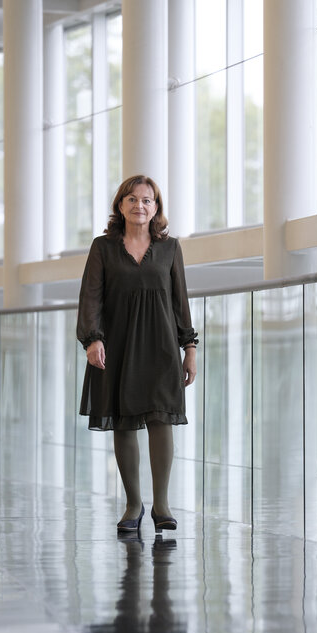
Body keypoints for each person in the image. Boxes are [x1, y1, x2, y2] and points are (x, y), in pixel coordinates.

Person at [76, 175, 198, 532]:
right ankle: (133, 504)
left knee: (162, 419)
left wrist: (189, 348)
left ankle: (162, 504)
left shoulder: (170, 248)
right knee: (124, 420)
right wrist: (93, 339)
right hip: (118, 345)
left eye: (147, 200)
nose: (139, 206)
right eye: (131, 199)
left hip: (161, 347)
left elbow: (180, 302)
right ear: (120, 206)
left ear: (156, 208)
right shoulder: (103, 248)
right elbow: (90, 297)